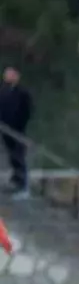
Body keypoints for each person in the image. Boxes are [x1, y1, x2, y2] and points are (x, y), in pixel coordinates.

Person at [0, 65, 33, 197]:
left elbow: (27, 111)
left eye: (11, 74)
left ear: (17, 76)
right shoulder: (3, 90)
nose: (7, 76)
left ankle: (23, 185)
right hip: (5, 129)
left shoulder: (23, 92)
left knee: (19, 155)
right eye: (6, 74)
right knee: (11, 155)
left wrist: (19, 125)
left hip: (18, 130)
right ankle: (15, 179)